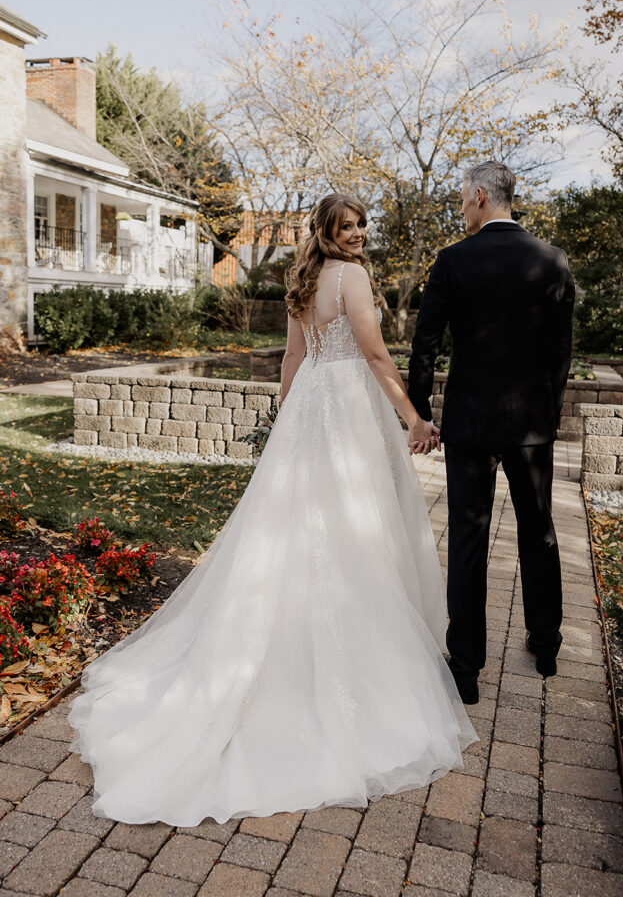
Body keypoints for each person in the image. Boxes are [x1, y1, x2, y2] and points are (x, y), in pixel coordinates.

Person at [66, 192, 479, 827]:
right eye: (350, 226)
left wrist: (285, 421)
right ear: (329, 232)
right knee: (352, 527)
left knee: (300, 525)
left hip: (311, 402)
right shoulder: (351, 276)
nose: (361, 234)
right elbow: (373, 355)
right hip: (343, 408)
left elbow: (292, 357)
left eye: (363, 224)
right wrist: (414, 418)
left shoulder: (304, 276)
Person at [408, 161, 575, 706]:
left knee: (468, 536)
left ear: (480, 196)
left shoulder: (453, 261)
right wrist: (546, 415)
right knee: (539, 531)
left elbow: (424, 344)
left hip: (470, 424)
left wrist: (421, 411)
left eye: (462, 198)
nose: (460, 207)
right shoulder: (552, 261)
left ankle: (465, 668)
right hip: (530, 424)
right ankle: (546, 644)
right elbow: (560, 353)